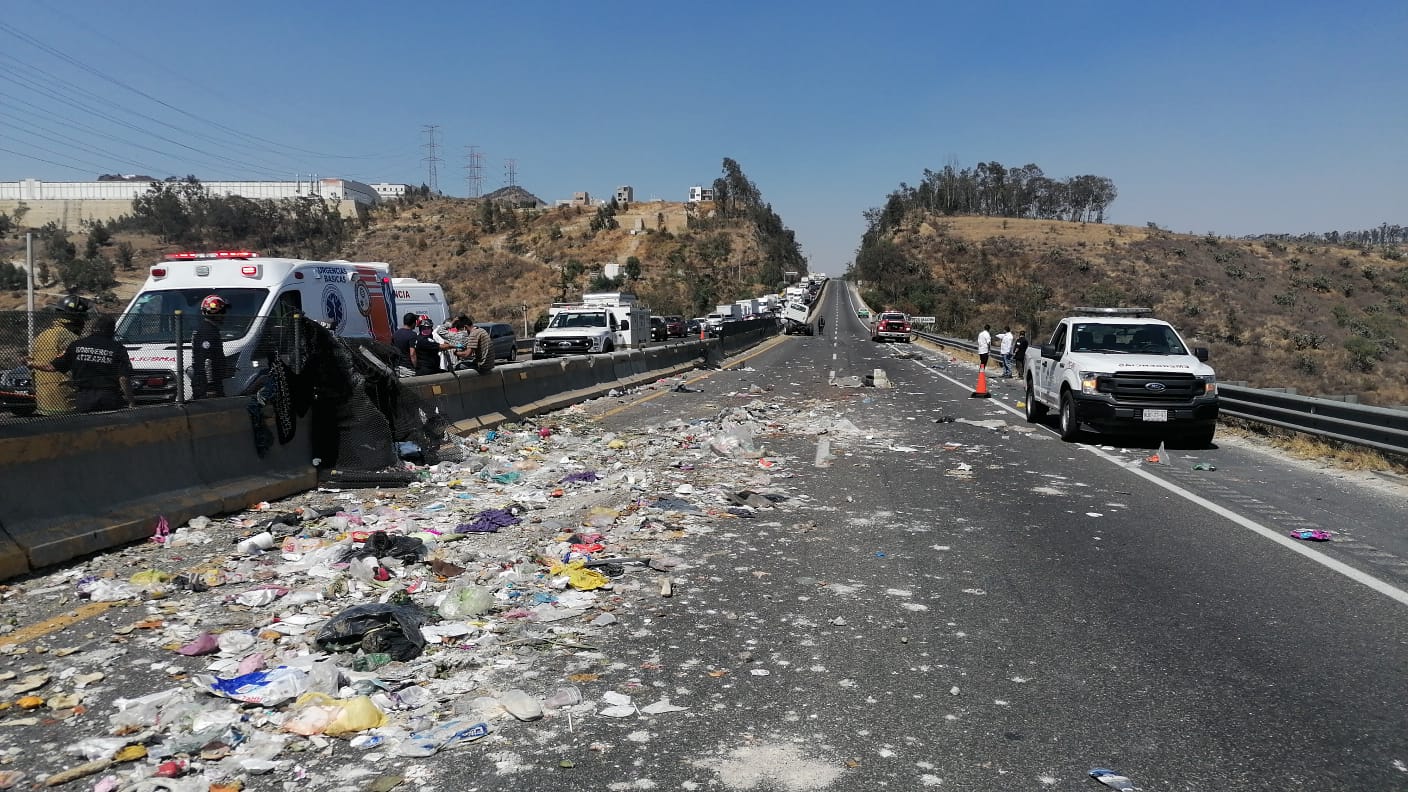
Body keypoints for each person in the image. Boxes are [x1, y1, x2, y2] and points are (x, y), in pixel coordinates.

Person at [51, 315, 135, 413]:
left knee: (87, 426)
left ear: (92, 328)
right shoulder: (117, 348)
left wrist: (32, 364)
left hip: (84, 398)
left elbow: (52, 367)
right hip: (108, 397)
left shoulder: (76, 345)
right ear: (112, 330)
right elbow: (123, 378)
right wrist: (131, 401)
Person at [25, 295, 89, 416]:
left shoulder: (41, 336)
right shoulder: (71, 338)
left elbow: (32, 368)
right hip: (67, 403)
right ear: (77, 319)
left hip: (43, 403)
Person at [191, 294, 230, 398]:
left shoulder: (211, 329)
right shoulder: (207, 331)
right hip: (206, 385)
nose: (224, 315)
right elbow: (207, 360)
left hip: (208, 382)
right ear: (214, 313)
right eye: (221, 312)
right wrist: (210, 386)